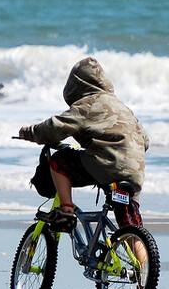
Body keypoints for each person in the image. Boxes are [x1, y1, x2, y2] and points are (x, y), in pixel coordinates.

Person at [17, 56, 149, 231]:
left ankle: (66, 211)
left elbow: (56, 127)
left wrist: (30, 133)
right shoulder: (122, 107)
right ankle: (142, 258)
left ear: (76, 84)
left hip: (106, 165)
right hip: (134, 172)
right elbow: (145, 140)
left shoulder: (88, 104)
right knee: (130, 227)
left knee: (59, 161)